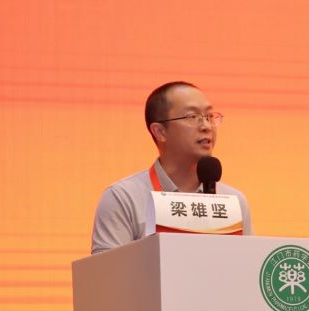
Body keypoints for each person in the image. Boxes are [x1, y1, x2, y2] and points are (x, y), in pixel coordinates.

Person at [91, 81, 253, 254]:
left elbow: (248, 264)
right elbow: (106, 270)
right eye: (192, 117)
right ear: (160, 132)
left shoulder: (234, 202)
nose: (206, 126)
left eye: (209, 116)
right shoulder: (123, 198)